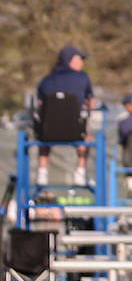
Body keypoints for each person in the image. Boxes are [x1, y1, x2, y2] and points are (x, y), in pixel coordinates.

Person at [34, 44, 95, 188]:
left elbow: (40, 103)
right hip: (75, 131)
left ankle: (42, 172)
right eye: (79, 59)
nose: (81, 63)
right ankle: (80, 172)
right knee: (87, 135)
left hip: (48, 133)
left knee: (43, 131)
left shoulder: (46, 80)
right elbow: (91, 102)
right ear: (71, 60)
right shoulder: (83, 77)